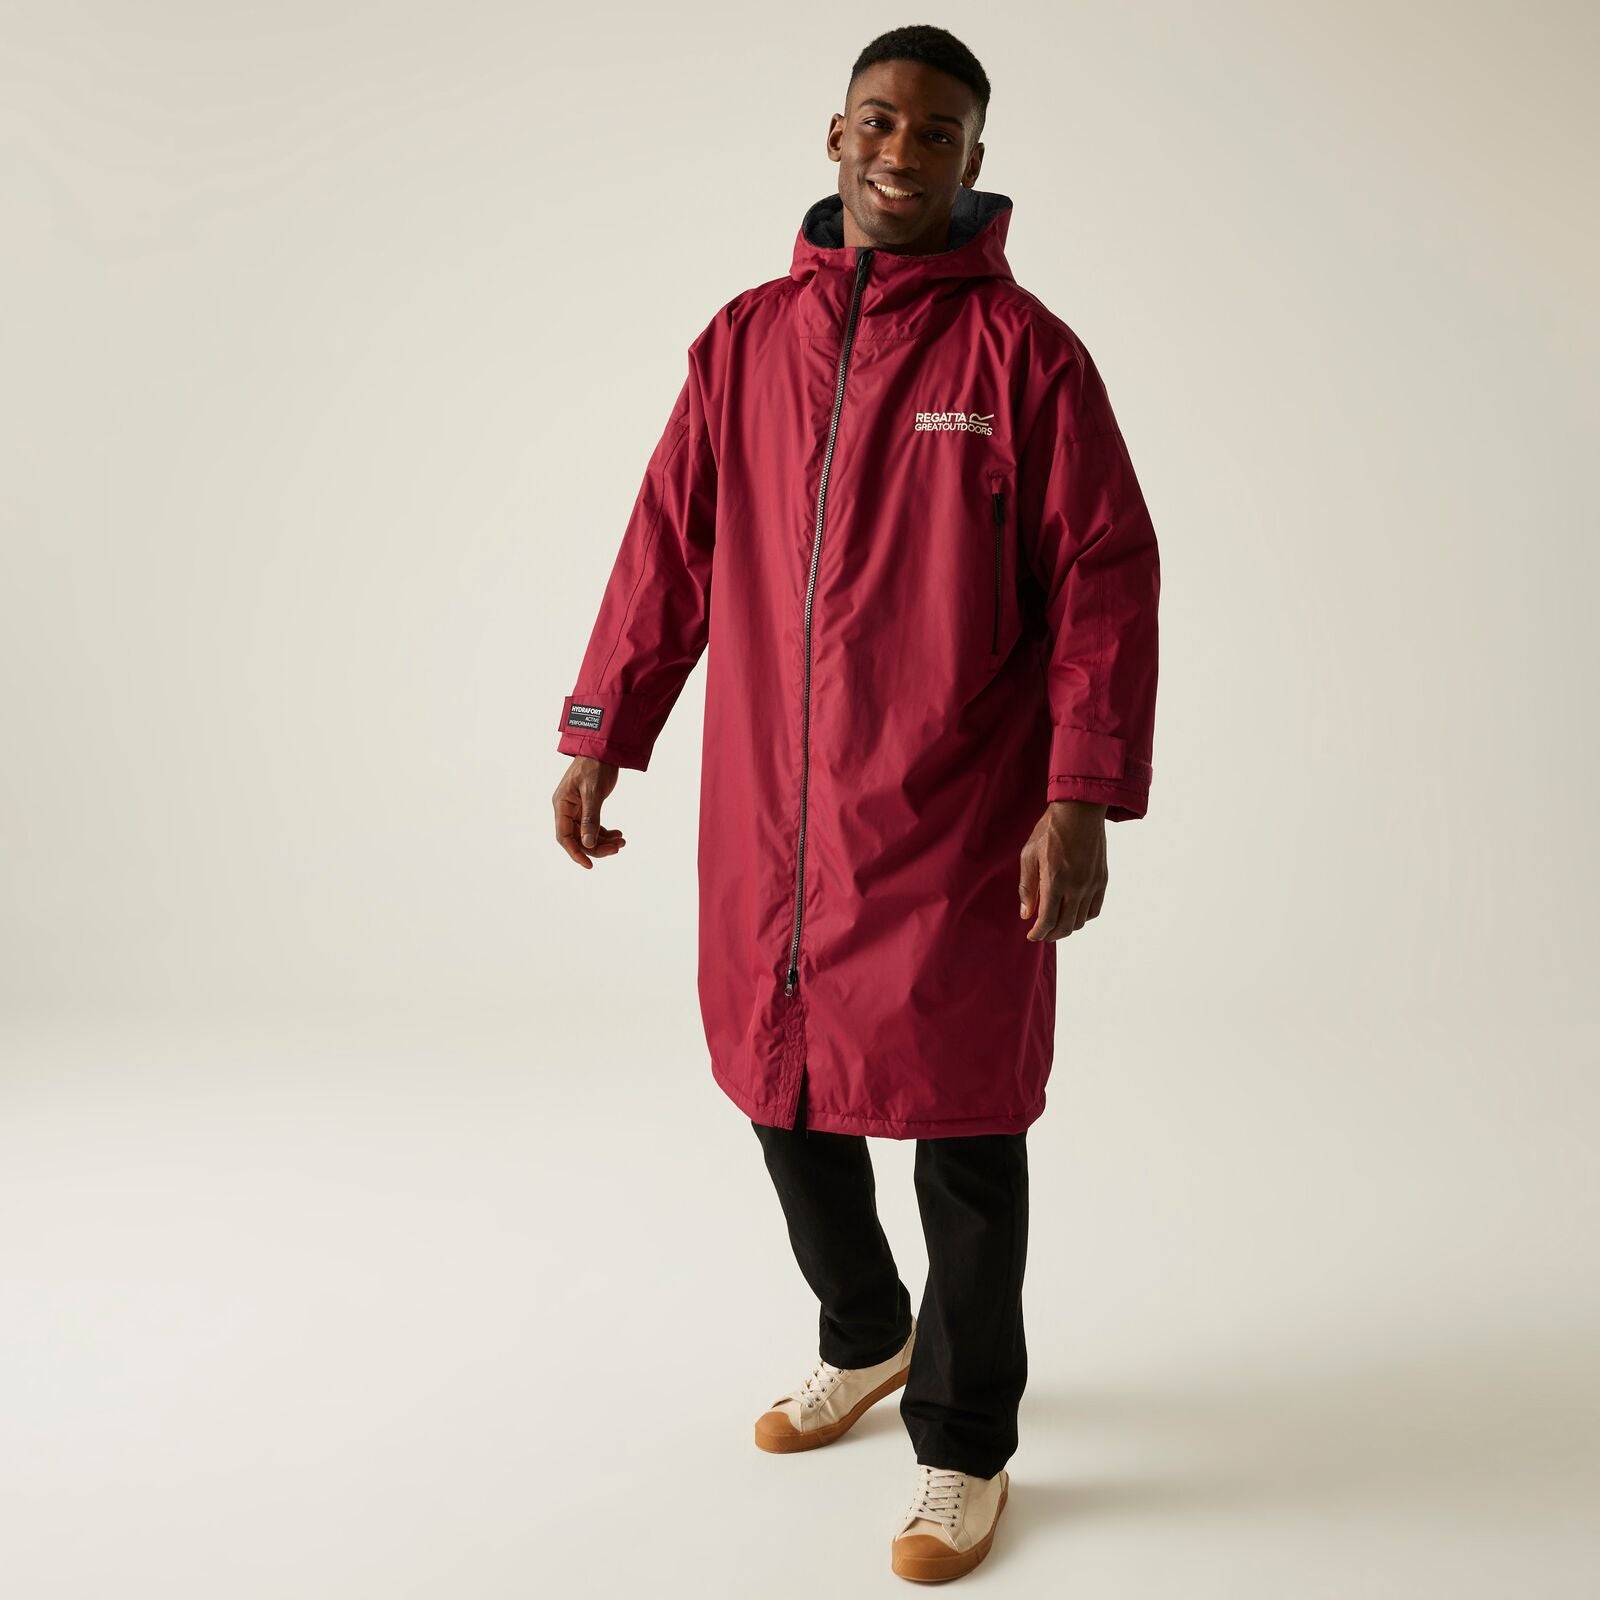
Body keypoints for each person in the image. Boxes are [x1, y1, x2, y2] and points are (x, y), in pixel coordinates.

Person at [552, 24, 1160, 1583]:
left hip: (958, 816)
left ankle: (964, 1444)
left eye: (936, 132)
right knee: (781, 1084)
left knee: (966, 1126)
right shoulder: (745, 341)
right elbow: (669, 545)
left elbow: (1104, 580)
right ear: (834, 135)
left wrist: (1082, 791)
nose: (902, 151)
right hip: (772, 815)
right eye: (880, 121)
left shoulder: (1027, 359)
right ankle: (866, 1332)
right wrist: (604, 726)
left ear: (974, 159)